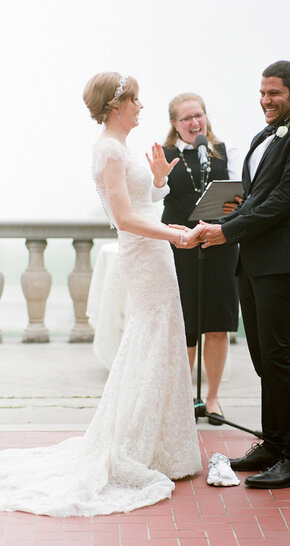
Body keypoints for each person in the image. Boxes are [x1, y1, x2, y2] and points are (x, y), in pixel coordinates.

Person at [0, 72, 202, 517]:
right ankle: (134, 446)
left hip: (155, 251)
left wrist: (158, 180)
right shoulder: (108, 150)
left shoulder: (123, 149)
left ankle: (163, 445)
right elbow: (125, 219)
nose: (141, 107)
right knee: (150, 340)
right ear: (116, 106)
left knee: (162, 340)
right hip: (144, 253)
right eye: (136, 100)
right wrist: (173, 234)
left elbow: (145, 202)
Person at [199, 61, 290, 488]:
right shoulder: (266, 136)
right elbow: (256, 196)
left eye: (274, 93)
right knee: (262, 359)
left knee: (276, 356)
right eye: (262, 92)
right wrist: (212, 219)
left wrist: (227, 230)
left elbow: (284, 200)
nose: (266, 100)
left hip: (281, 261)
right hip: (253, 260)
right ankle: (273, 444)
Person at [162, 93, 241, 424]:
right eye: (186, 118)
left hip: (220, 244)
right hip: (181, 247)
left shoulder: (226, 153)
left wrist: (220, 226)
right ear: (175, 125)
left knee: (218, 324)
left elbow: (240, 196)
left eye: (199, 115)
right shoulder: (165, 155)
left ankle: (212, 398)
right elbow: (156, 196)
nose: (195, 122)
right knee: (187, 325)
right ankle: (184, 397)